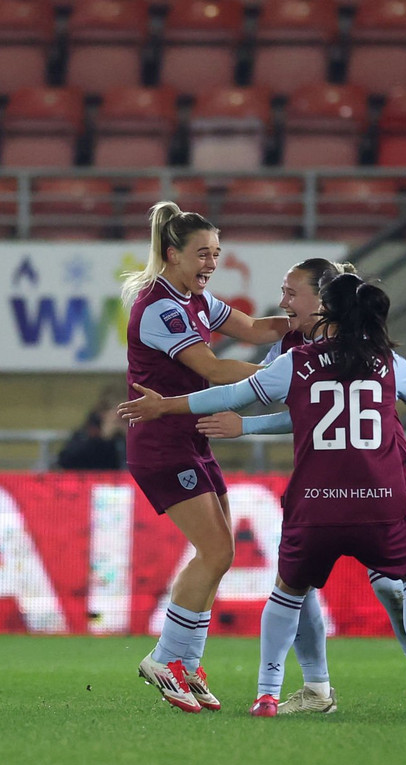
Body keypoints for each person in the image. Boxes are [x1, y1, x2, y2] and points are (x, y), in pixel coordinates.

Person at [119, 273, 406, 718]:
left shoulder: (297, 361)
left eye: (294, 294)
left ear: (324, 309)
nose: (285, 302)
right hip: (380, 499)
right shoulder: (385, 361)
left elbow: (231, 394)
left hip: (316, 502)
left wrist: (167, 405)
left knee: (288, 591)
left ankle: (267, 695)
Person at [123, 201, 292, 713]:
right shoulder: (160, 307)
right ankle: (164, 658)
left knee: (220, 553)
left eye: (216, 253)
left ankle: (185, 662)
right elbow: (215, 370)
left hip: (190, 438)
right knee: (217, 551)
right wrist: (284, 378)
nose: (211, 263)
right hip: (161, 442)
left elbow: (259, 330)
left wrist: (307, 321)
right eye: (202, 253)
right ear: (172, 254)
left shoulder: (194, 299)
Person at [56, 385, 127, 470]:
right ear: (103, 413)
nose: (121, 417)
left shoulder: (133, 432)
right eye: (117, 412)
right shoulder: (86, 434)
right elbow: (66, 461)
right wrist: (103, 439)